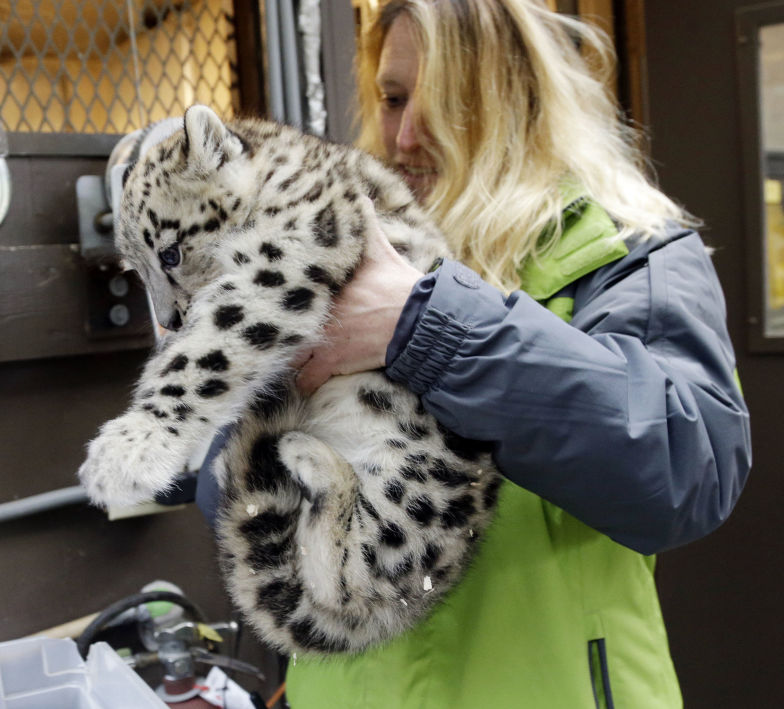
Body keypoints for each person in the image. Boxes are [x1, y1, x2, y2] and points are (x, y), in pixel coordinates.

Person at [195, 1, 751, 706]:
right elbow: (231, 508)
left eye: (448, 103)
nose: (403, 134)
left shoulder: (625, 251)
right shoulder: (336, 259)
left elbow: (684, 468)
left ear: (522, 104)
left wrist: (423, 328)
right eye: (393, 98)